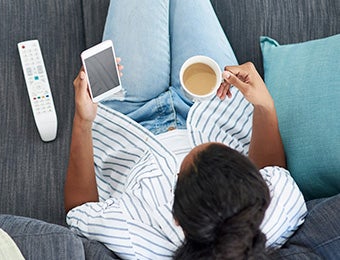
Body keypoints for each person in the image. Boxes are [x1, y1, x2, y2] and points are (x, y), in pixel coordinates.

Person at [64, 0, 307, 259]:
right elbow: (272, 171)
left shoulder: (136, 240)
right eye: (231, 155)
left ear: (177, 218)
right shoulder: (278, 212)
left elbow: (79, 211)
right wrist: (264, 106)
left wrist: (83, 121)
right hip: (216, 101)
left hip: (131, 118)